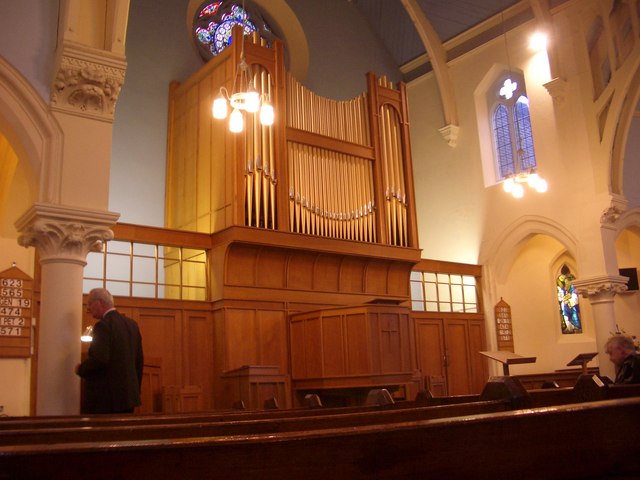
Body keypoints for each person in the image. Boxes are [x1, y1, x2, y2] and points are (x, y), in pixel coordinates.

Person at [76, 288, 144, 413]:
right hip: (128, 397)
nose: (88, 308)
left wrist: (81, 369)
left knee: (101, 432)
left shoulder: (103, 326)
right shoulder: (132, 325)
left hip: (107, 398)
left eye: (90, 303)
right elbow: (139, 362)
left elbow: (100, 359)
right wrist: (135, 390)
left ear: (100, 302)